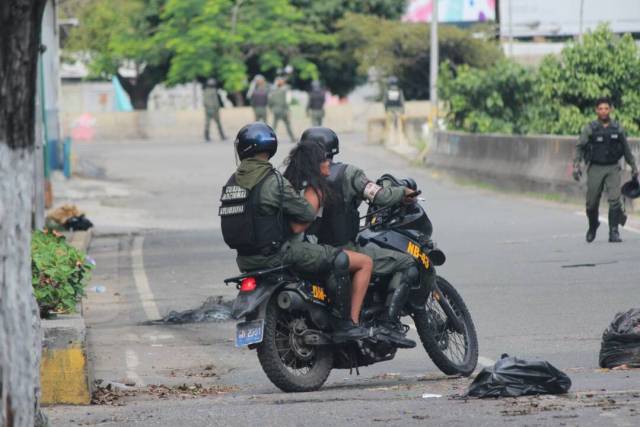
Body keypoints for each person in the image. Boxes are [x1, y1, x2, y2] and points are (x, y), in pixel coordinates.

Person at [218, 122, 370, 342]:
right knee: (339, 259)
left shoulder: (231, 183)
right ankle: (344, 324)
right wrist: (317, 189)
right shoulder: (272, 181)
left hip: (246, 262)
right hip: (278, 255)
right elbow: (306, 213)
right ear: (270, 147)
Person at [301, 127, 424, 348]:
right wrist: (402, 193)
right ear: (332, 150)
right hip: (344, 250)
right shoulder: (348, 174)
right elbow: (381, 195)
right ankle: (388, 324)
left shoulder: (294, 177)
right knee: (407, 263)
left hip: (306, 253)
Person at [283, 141, 373, 326]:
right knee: (365, 262)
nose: (328, 164)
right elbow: (298, 227)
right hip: (301, 249)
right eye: (324, 160)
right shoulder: (315, 190)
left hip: (288, 248)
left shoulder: (291, 185)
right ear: (314, 164)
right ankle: (353, 322)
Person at [573, 97, 638, 243]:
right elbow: (579, 147)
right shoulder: (590, 128)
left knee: (615, 200)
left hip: (612, 167)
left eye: (606, 108)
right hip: (595, 167)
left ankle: (613, 231)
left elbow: (627, 150)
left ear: (610, 110)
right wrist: (576, 165)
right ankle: (593, 225)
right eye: (600, 109)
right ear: (596, 110)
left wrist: (633, 167)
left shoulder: (617, 128)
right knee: (591, 203)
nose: (603, 111)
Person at [268, 77, 296, 143]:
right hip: (283, 110)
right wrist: (288, 110)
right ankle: (292, 138)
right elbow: (288, 101)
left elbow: (270, 100)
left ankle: (270, 138)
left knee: (274, 125)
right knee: (287, 124)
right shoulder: (286, 89)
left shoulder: (273, 90)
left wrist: (271, 108)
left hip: (276, 110)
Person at [383, 76, 405, 145]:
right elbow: (402, 101)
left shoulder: (387, 91)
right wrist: (403, 110)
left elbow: (385, 102)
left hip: (390, 110)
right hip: (398, 110)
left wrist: (385, 110)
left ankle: (391, 141)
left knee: (391, 126)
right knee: (399, 126)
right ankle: (400, 141)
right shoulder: (399, 91)